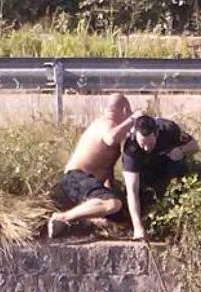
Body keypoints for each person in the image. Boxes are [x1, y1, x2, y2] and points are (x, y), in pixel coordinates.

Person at [48, 94, 142, 238]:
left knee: (117, 212)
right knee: (112, 203)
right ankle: (62, 218)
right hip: (76, 177)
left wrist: (113, 191)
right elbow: (110, 138)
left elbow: (106, 169)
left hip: (88, 183)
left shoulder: (108, 126)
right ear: (124, 110)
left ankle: (83, 221)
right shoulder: (106, 123)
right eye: (128, 113)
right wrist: (132, 119)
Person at [120, 115, 200, 240]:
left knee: (178, 166)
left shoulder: (168, 129)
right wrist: (138, 228)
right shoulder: (131, 148)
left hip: (166, 165)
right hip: (144, 171)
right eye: (142, 144)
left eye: (150, 143)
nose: (146, 148)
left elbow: (195, 145)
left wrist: (181, 149)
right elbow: (132, 191)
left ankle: (180, 217)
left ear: (157, 133)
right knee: (134, 191)